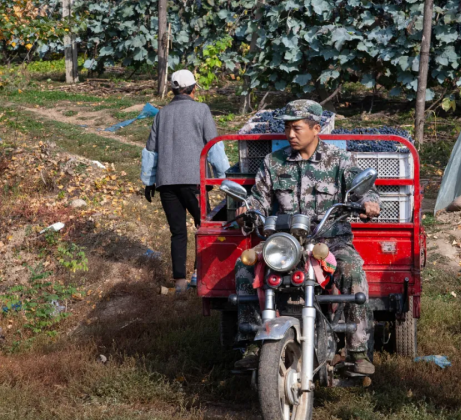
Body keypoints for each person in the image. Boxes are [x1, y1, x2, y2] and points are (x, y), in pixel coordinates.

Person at [234, 99, 380, 375]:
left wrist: (369, 203)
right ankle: (252, 344)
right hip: (285, 244)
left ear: (316, 128)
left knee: (353, 270)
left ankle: (357, 351)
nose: (290, 134)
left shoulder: (339, 160)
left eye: (297, 128)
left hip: (330, 242)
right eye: (287, 128)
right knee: (244, 267)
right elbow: (258, 198)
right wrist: (247, 210)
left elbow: (363, 189)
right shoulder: (273, 162)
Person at [141, 69, 229, 292]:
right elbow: (214, 146)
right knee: (205, 227)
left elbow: (151, 150)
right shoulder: (201, 110)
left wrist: (149, 181)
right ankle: (200, 274)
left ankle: (179, 283)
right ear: (193, 88)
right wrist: (224, 178)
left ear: (173, 89)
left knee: (178, 232)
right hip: (194, 181)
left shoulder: (162, 114)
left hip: (166, 182)